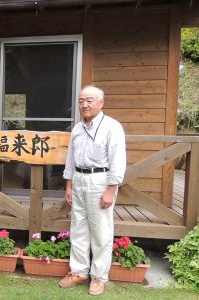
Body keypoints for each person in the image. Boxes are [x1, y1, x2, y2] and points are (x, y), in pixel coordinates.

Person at [59, 86, 126, 295]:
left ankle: (98, 277)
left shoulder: (112, 127)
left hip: (100, 181)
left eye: (89, 100)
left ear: (101, 102)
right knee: (78, 228)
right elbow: (70, 159)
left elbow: (118, 160)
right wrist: (68, 185)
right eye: (81, 101)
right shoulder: (77, 129)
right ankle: (78, 271)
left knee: (101, 231)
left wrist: (110, 190)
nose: (84, 105)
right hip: (78, 180)